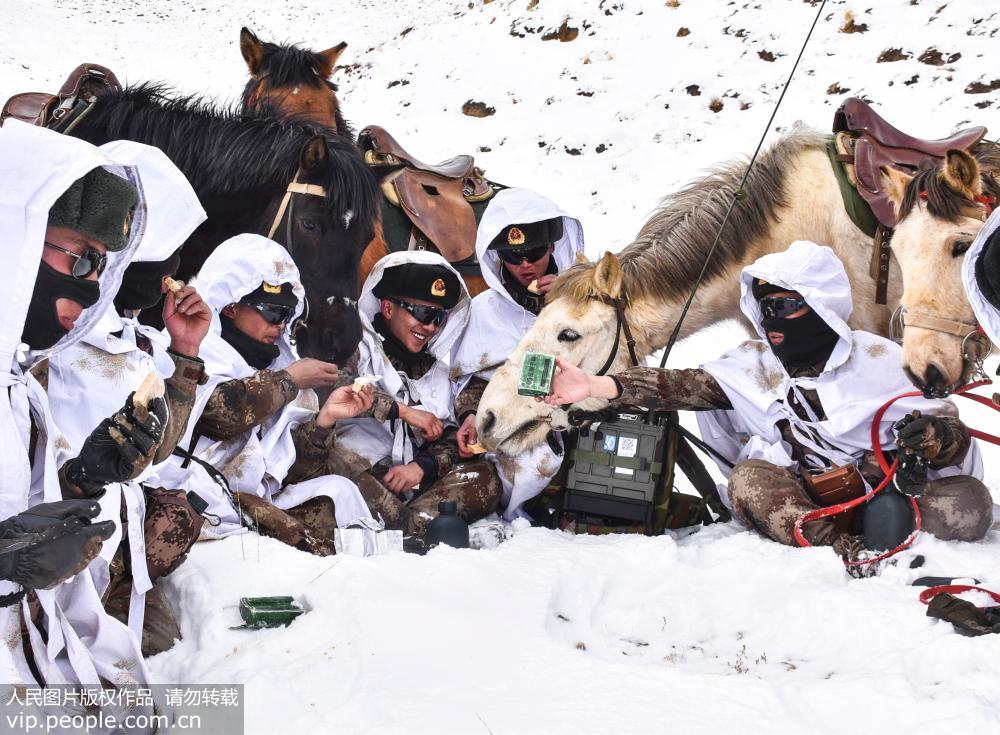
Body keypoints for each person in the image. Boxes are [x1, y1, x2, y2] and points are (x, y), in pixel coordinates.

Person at [543, 241, 993, 562]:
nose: (771, 320)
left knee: (970, 504)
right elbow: (679, 386)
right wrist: (598, 386)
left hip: (887, 489)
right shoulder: (754, 365)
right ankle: (828, 546)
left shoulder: (880, 358)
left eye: (784, 307)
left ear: (819, 306)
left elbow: (953, 438)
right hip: (809, 499)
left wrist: (933, 437)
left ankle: (885, 529)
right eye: (765, 307)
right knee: (750, 481)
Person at [0, 120, 172, 708]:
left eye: (103, 270)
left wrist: (80, 480)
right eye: (80, 262)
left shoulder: (19, 390)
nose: (95, 289)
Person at [46, 142, 212, 655]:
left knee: (171, 665)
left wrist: (184, 355)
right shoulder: (45, 334)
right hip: (51, 566)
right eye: (86, 261)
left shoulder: (130, 336)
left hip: (113, 550)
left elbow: (151, 449)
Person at [154, 234, 372, 555]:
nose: (281, 326)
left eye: (287, 315)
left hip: (248, 498)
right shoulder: (188, 347)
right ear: (230, 306)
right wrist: (288, 381)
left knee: (339, 492)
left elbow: (293, 473)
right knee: (305, 544)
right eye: (272, 313)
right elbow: (215, 416)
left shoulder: (276, 364)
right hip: (184, 495)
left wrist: (325, 421)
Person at [335, 251, 501, 539]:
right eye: (423, 314)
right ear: (387, 308)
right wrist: (404, 411)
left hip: (414, 482)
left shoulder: (436, 368)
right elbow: (343, 393)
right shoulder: (354, 348)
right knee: (341, 473)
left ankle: (408, 526)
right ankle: (417, 529)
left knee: (484, 478)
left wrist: (422, 466)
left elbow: (451, 434)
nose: (430, 327)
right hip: (361, 471)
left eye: (437, 318)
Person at [452, 188, 585, 519]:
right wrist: (469, 413)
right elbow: (471, 379)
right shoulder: (484, 311)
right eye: (514, 257)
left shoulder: (586, 302)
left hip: (579, 417)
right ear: (498, 257)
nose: (526, 266)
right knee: (531, 461)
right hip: (511, 421)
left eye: (535, 252)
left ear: (552, 245)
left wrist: (564, 303)